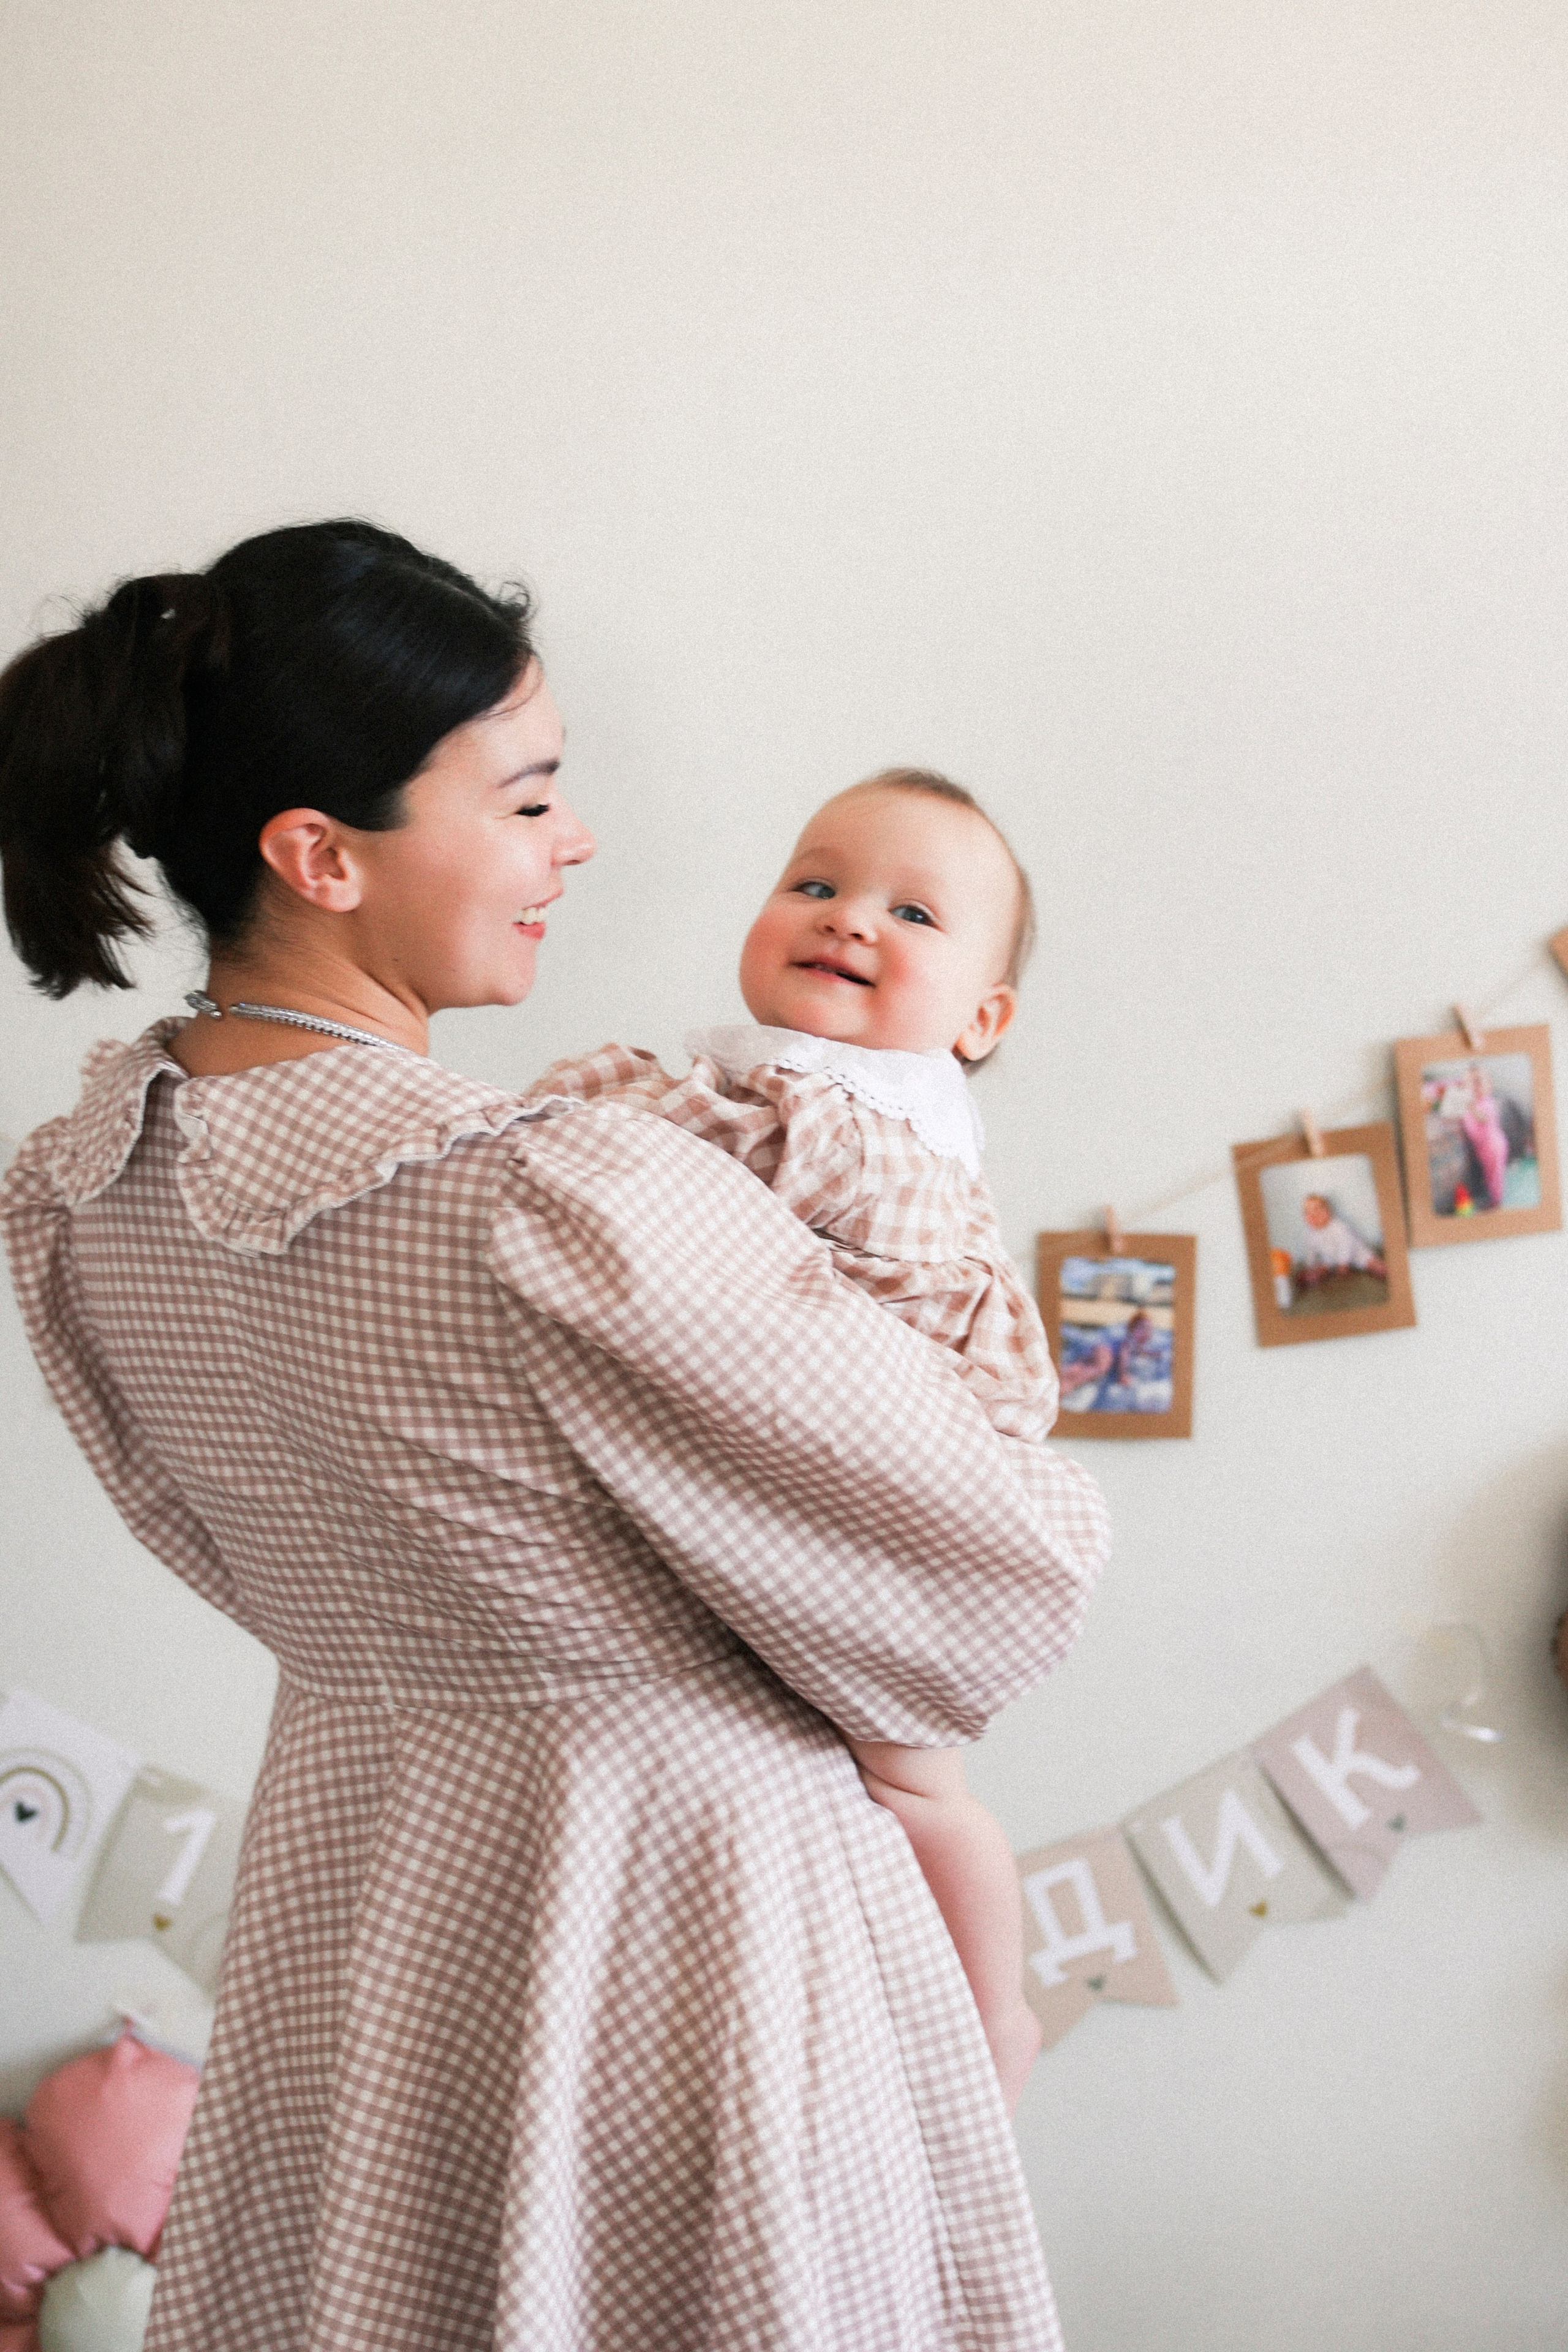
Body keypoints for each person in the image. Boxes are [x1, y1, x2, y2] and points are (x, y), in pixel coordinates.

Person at [0, 521, 1110, 2352]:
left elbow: (219, 1546)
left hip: (356, 1909)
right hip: (692, 1933)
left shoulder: (82, 1201)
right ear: (319, 854)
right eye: (528, 799)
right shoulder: (561, 1198)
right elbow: (995, 1585)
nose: (574, 842)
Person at [525, 770, 1056, 2109]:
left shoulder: (870, 1126)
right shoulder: (751, 1082)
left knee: (919, 1788)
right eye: (813, 884)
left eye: (912, 912)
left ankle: (994, 2018)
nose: (849, 920)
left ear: (980, 1020)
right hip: (752, 1507)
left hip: (891, 1526)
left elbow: (720, 1170)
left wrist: (582, 1116)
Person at [1296, 1189, 1387, 1285]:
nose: (1313, 1216)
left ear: (1328, 1212)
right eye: (1307, 1213)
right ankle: (1312, 1277)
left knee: (1373, 1264)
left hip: (1356, 1253)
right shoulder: (1311, 1233)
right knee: (1322, 1267)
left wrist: (1343, 1264)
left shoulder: (1338, 1226)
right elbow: (1311, 1250)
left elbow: (1346, 1245)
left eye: (1318, 1210)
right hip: (1331, 1258)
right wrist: (1310, 1266)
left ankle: (1388, 1270)